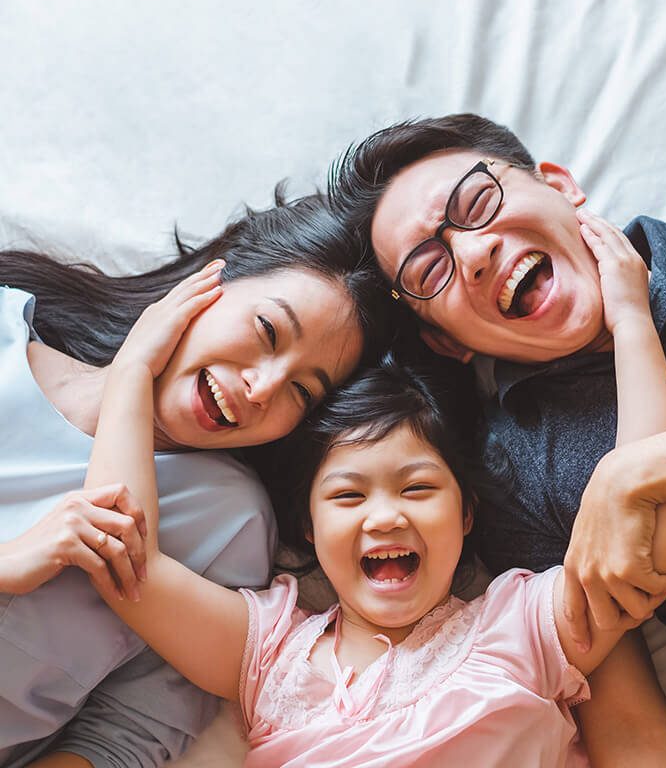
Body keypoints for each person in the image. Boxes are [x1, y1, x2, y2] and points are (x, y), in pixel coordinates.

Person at [75, 244, 666, 766]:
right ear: (308, 528)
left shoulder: (523, 625)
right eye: (347, 495)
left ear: (466, 515)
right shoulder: (269, 654)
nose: (385, 516)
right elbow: (126, 558)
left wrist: (632, 325)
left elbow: (655, 527)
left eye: (418, 489)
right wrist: (133, 368)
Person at [328, 113, 666, 765]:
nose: (472, 254)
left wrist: (630, 477)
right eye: (428, 269)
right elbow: (631, 728)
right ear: (445, 341)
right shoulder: (512, 476)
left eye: (477, 202)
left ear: (559, 185)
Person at [0, 194, 390, 767]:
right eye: (267, 330)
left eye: (303, 392)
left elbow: (126, 736)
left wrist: (135, 373)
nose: (262, 387)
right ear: (214, 279)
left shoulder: (229, 522)